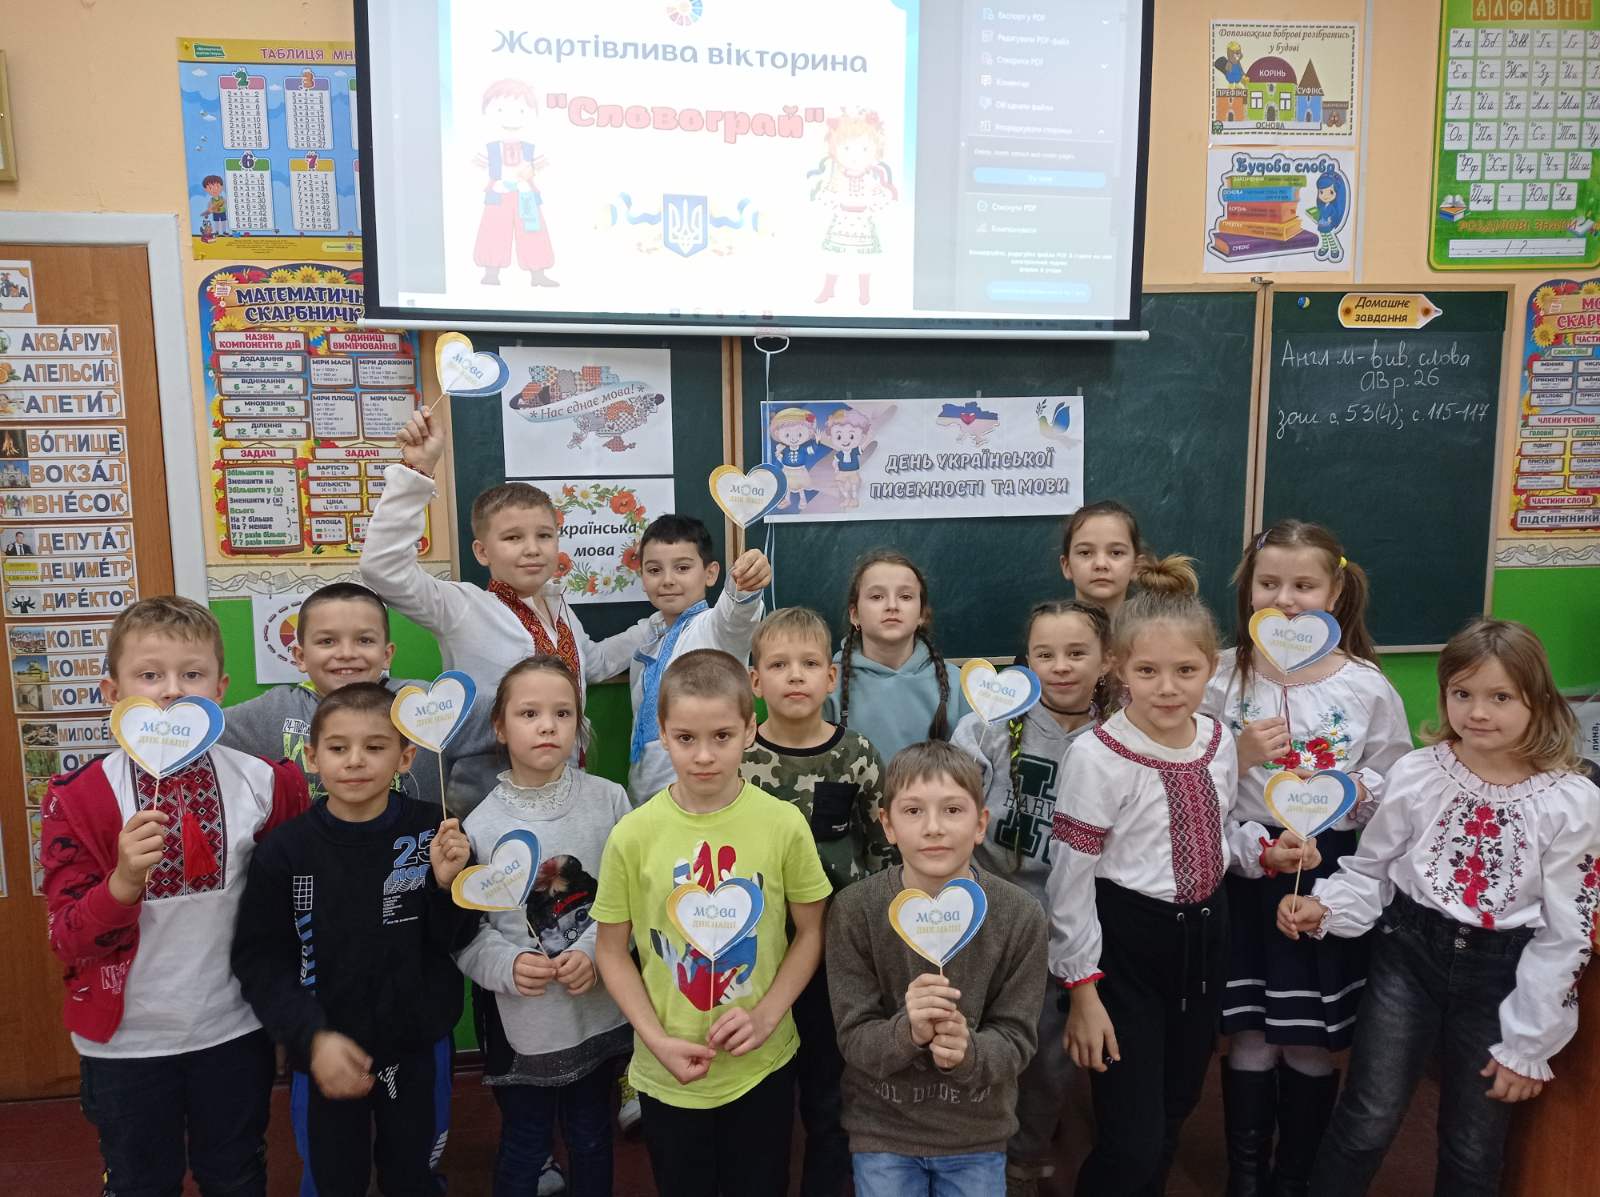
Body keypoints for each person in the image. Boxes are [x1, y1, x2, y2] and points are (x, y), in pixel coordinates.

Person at [1278, 619, 1600, 1196]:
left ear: (1537, 699)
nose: (1478, 712)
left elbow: (1565, 931)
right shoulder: (1419, 773)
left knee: (1473, 1145)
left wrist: (1528, 1042)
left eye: (1501, 697)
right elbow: (1372, 868)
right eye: (1462, 693)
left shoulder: (1572, 802)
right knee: (1366, 1118)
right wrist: (1326, 908)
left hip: (1502, 974)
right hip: (1408, 954)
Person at [40, 596, 308, 1195]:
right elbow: (67, 937)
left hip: (233, 1029)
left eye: (192, 674)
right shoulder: (79, 798)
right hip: (127, 1043)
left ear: (220, 689)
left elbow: (292, 906)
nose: (171, 690)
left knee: (235, 1174)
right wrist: (122, 884)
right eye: (149, 675)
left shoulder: (266, 783)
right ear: (114, 693)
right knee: (141, 1181)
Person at [1203, 521, 1413, 1196]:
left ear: (1335, 592)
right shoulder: (1219, 676)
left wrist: (1346, 800)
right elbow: (1193, 783)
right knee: (1251, 1033)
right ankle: (1245, 1176)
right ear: (1248, 589)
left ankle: (1293, 1177)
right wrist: (1239, 758)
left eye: (1304, 585)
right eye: (1269, 583)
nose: (1285, 599)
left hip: (1328, 871)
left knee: (1309, 1035)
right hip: (1246, 865)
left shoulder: (1365, 684)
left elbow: (1395, 774)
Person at [592, 649, 832, 1196]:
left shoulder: (783, 823)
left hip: (762, 1064)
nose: (703, 755)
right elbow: (610, 950)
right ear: (662, 733)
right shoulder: (633, 834)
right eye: (686, 738)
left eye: (722, 736)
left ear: (750, 729)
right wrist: (655, 1040)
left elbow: (811, 931)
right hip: (666, 1070)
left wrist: (767, 1016)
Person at [231, 681, 478, 1195]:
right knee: (334, 1178)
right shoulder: (285, 850)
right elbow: (261, 960)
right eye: (339, 747)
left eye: (375, 746)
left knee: (412, 1174)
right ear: (312, 758)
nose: (356, 760)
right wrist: (310, 1037)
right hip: (326, 1045)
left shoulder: (438, 833)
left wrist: (445, 887)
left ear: (405, 757)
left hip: (415, 1045)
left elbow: (456, 939)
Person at [1045, 572, 1245, 1196]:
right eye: (1148, 671)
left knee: (1175, 1110)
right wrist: (1083, 991)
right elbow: (1071, 881)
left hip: (1205, 944)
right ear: (1119, 668)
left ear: (1210, 668)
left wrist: (1264, 852)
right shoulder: (1097, 756)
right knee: (1130, 1138)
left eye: (1186, 670)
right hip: (1126, 954)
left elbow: (1215, 832)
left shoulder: (1218, 740)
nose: (1167, 687)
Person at [827, 740, 1047, 1196]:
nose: (933, 828)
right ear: (887, 825)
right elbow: (854, 1038)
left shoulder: (1021, 915)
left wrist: (968, 1051)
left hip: (977, 1134)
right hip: (883, 1130)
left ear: (980, 824)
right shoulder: (855, 911)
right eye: (913, 811)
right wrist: (908, 1031)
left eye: (952, 810)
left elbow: (1018, 1040)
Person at [455, 654, 634, 1197]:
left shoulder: (610, 800)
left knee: (591, 1133)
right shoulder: (477, 825)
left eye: (562, 713)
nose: (547, 726)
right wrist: (508, 965)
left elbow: (631, 900)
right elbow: (467, 933)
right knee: (526, 1140)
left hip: (596, 1009)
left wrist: (595, 950)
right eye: (529, 713)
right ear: (500, 727)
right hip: (524, 1018)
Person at [950, 599, 1112, 1194]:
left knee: (1046, 1050)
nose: (1060, 666)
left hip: (1069, 924)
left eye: (1077, 653)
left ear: (1106, 660)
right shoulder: (989, 726)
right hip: (988, 913)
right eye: (1045, 654)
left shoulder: (1118, 737)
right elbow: (950, 817)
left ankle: (1025, 1155)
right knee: (972, 1038)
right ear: (1027, 661)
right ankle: (963, 1150)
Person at [743, 607, 890, 1196]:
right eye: (779, 665)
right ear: (756, 681)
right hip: (759, 956)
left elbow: (883, 853)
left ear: (831, 677)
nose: (795, 675)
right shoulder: (740, 759)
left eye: (809, 663)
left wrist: (876, 943)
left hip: (838, 954)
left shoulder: (857, 754)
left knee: (831, 1091)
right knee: (766, 1089)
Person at [362, 405, 646, 708]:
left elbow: (594, 664)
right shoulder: (464, 609)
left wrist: (658, 625)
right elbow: (383, 568)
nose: (533, 549)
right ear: (482, 552)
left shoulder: (559, 608)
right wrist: (416, 471)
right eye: (513, 537)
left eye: (544, 535)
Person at [219, 581, 450, 808]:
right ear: (301, 657)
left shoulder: (423, 702)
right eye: (327, 641)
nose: (346, 653)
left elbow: (477, 731)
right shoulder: (275, 710)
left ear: (386, 655)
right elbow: (203, 731)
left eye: (365, 640)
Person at [625, 513, 769, 806]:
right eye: (654, 570)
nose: (668, 580)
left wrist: (746, 584)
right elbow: (594, 660)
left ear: (710, 573)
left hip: (704, 798)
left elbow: (736, 616)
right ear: (642, 577)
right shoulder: (647, 635)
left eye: (682, 567)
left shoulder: (714, 628)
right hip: (644, 801)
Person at [826, 548, 970, 764]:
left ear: (922, 614)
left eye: (905, 596)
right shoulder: (828, 683)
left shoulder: (957, 684)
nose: (892, 606)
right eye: (877, 597)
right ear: (855, 614)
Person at [1059, 500, 1195, 620]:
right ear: (1067, 566)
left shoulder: (1154, 635)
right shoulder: (1050, 636)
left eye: (1116, 553)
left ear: (1136, 566)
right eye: (1085, 553)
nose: (1100, 564)